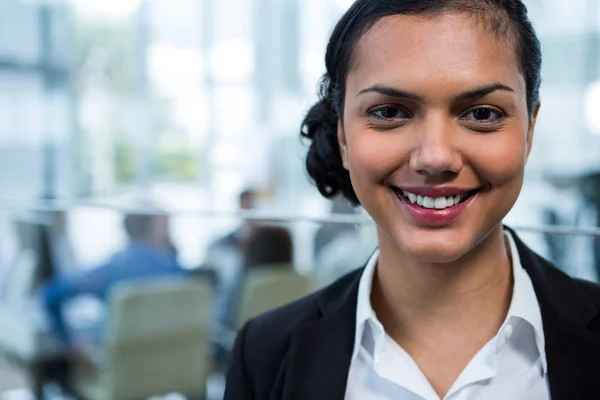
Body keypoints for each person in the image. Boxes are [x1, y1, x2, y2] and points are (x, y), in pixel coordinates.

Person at [224, 1, 600, 399]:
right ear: (343, 138)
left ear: (529, 131)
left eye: (483, 114)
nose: (435, 157)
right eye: (388, 111)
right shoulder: (265, 354)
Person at [42, 212, 185, 350]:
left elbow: (52, 294)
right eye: (167, 226)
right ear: (155, 227)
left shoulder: (111, 270)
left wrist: (68, 343)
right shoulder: (175, 271)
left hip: (122, 365)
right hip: (171, 365)